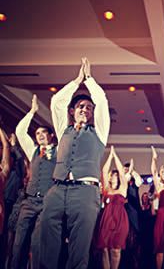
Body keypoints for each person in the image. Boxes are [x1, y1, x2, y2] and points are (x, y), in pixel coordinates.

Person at [39, 57, 110, 269]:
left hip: (85, 193)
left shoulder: (99, 132)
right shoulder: (63, 131)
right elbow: (56, 102)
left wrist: (88, 80)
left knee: (79, 248)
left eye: (89, 108)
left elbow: (102, 102)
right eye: (81, 106)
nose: (85, 110)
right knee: (47, 240)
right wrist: (76, 81)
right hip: (58, 189)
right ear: (72, 111)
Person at [11, 95, 57, 269]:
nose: (40, 136)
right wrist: (32, 112)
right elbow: (20, 131)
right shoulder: (33, 150)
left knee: (38, 245)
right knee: (18, 243)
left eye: (44, 133)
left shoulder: (59, 151)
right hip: (29, 202)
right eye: (37, 133)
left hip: (46, 203)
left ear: (51, 135)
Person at [97, 146, 131, 269]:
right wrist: (109, 156)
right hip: (106, 220)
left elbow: (122, 173)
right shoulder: (106, 189)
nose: (113, 176)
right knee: (104, 249)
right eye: (112, 175)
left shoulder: (123, 189)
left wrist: (115, 156)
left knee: (116, 249)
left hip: (120, 220)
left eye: (115, 175)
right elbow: (104, 171)